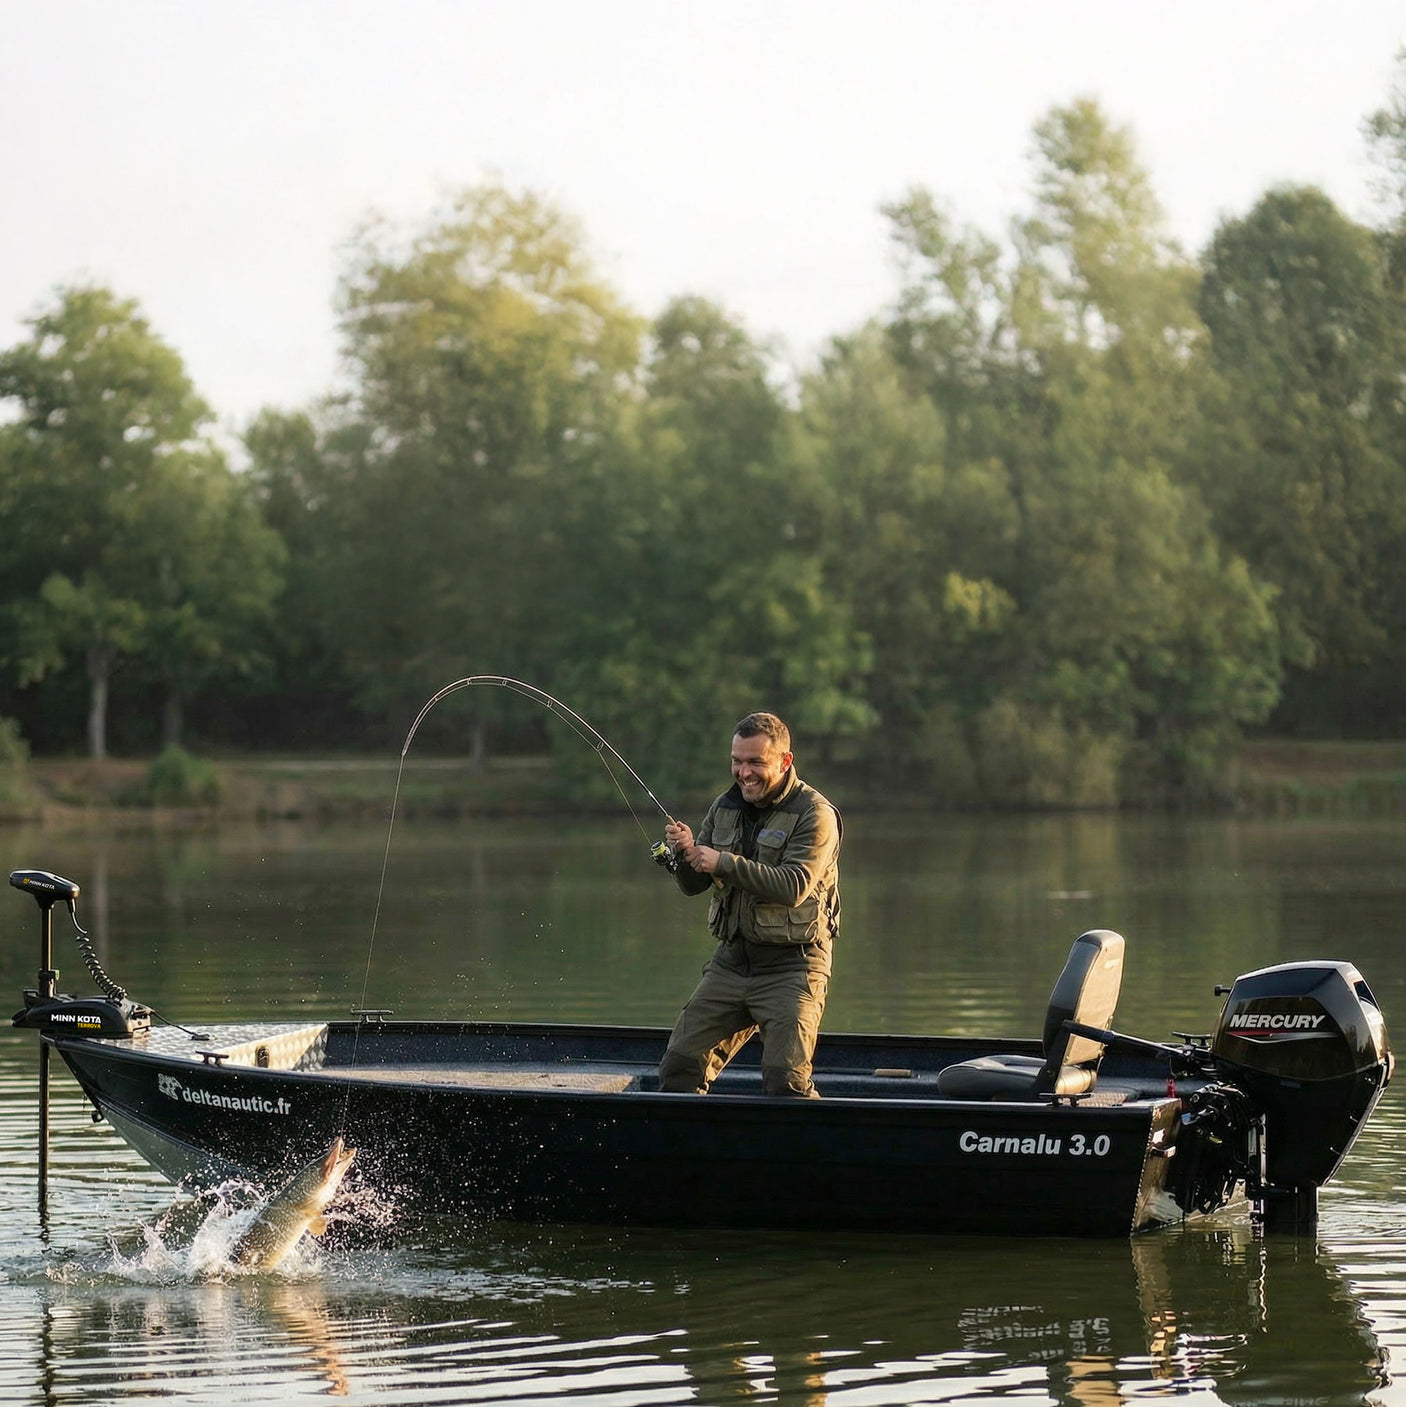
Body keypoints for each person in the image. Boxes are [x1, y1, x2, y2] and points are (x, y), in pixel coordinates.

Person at [657, 712, 842, 1098]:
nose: (744, 773)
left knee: (784, 1081)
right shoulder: (724, 806)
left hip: (794, 967)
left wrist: (721, 861)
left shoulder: (815, 814)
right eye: (737, 761)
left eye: (756, 762)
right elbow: (694, 886)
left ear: (785, 761)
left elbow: (794, 886)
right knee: (678, 1068)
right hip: (732, 963)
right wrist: (685, 854)